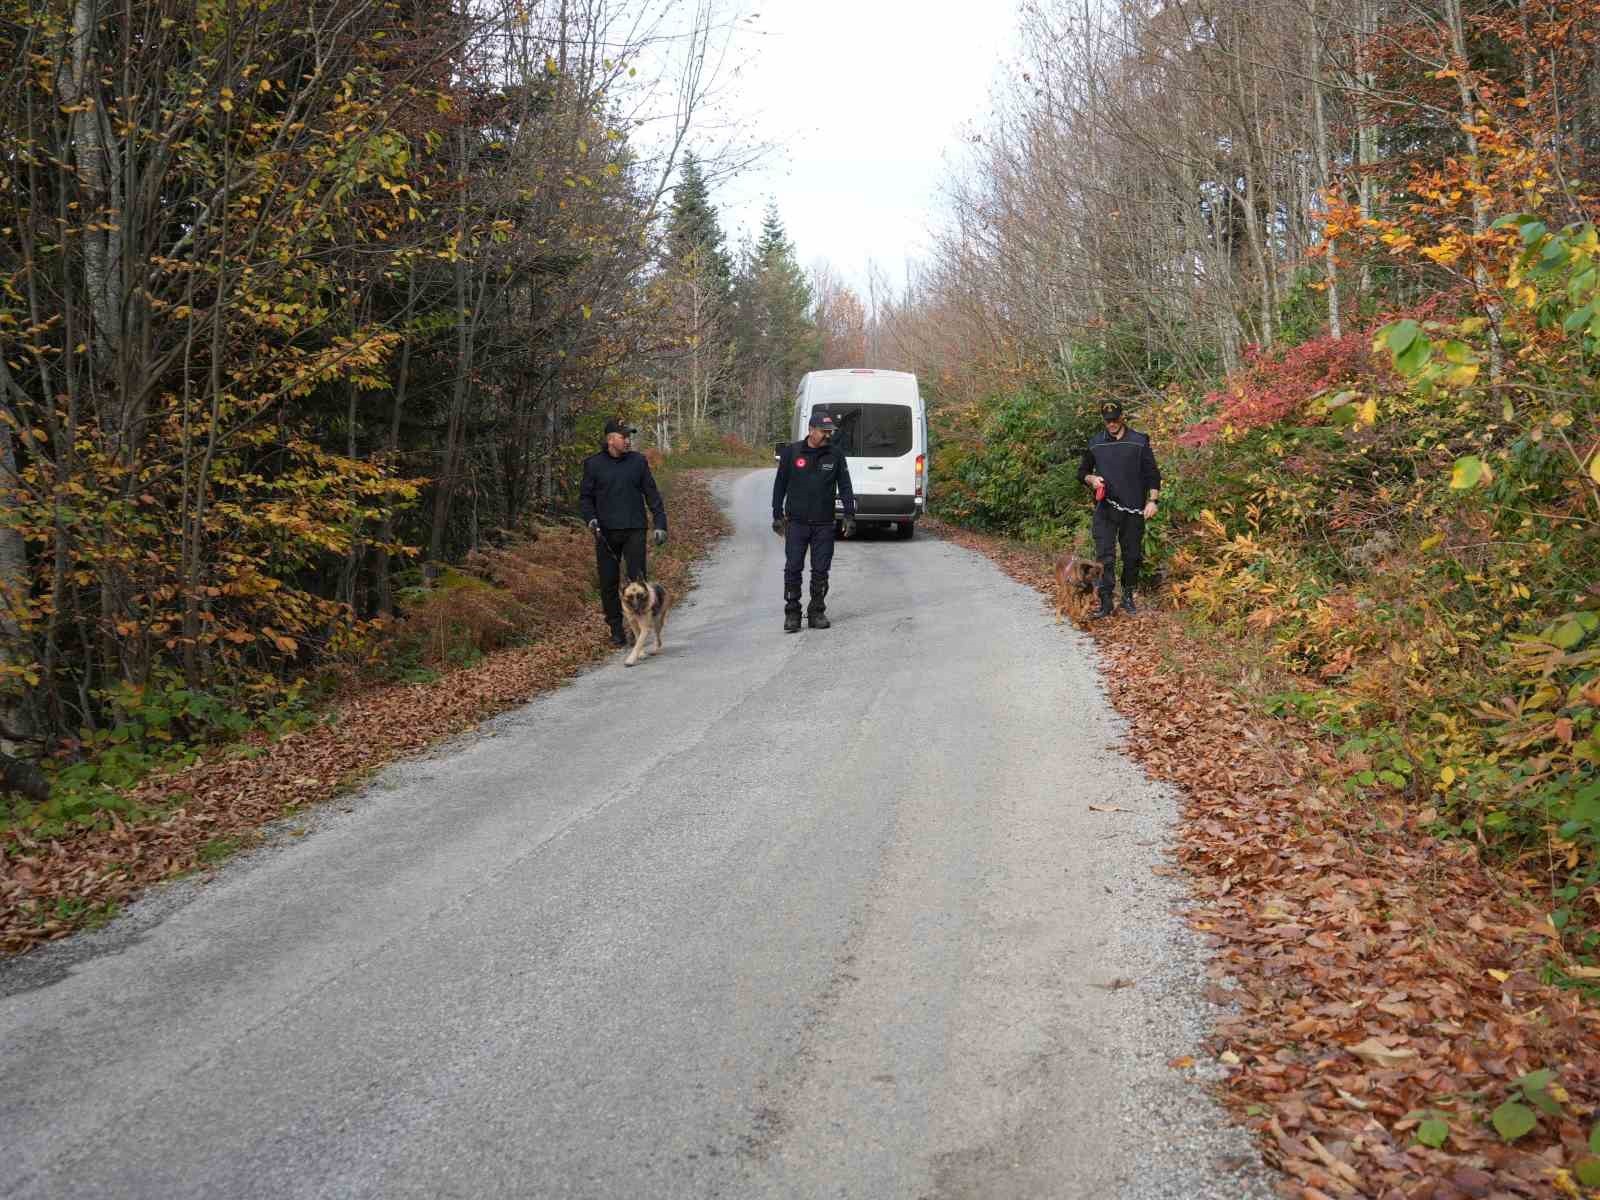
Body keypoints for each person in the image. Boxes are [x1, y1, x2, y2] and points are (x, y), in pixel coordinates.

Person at [580, 418, 668, 647]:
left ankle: (639, 627)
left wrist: (660, 524)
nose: (628, 440)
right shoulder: (593, 464)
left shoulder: (638, 462)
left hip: (634, 529)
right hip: (605, 532)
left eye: (629, 436)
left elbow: (652, 494)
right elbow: (585, 498)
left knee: (637, 580)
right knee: (608, 582)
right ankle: (616, 628)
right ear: (610, 439)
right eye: (624, 436)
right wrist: (591, 519)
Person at [772, 409, 856, 632]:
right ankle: (792, 612)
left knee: (821, 570)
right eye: (823, 431)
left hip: (824, 523)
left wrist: (849, 515)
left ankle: (817, 610)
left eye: (829, 432)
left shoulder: (835, 455)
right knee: (793, 567)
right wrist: (777, 515)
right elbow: (779, 485)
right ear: (811, 430)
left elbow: (846, 486)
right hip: (797, 523)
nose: (827, 435)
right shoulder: (792, 453)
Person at [1077, 400, 1161, 618]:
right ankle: (1106, 602)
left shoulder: (1139, 441)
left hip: (1133, 509)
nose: (1111, 424)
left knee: (1132, 556)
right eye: (1107, 421)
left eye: (1115, 419)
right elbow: (1082, 472)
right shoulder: (1095, 443)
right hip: (1105, 509)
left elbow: (1152, 474)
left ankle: (1127, 596)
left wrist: (1153, 501)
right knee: (1105, 556)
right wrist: (1092, 478)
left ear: (1122, 417)